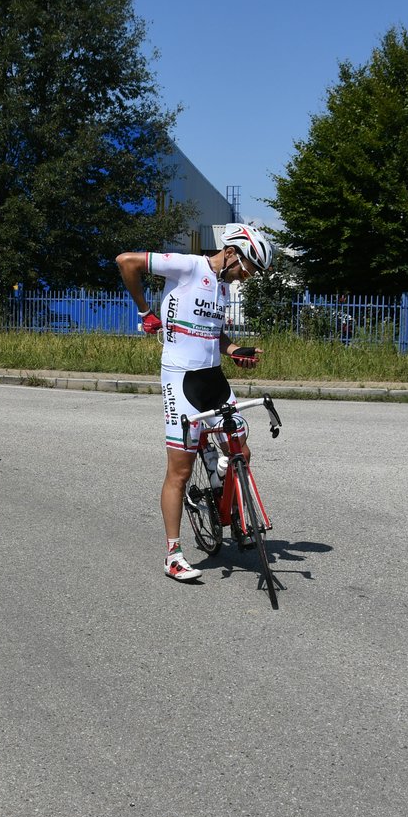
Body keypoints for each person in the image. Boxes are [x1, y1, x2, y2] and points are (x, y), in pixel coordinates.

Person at [116, 223, 273, 582]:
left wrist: (234, 350)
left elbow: (212, 332)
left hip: (213, 378)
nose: (245, 279)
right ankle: (173, 555)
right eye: (247, 270)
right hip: (181, 379)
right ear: (232, 253)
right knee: (180, 471)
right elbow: (126, 261)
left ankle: (222, 500)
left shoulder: (221, 287)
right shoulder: (188, 266)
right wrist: (144, 312)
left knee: (241, 452)